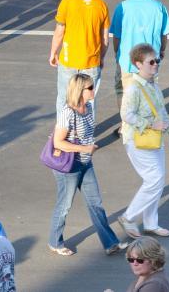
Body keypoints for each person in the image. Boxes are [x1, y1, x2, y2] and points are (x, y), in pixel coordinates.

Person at [47, 72, 128, 257]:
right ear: (79, 91)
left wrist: (87, 150)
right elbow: (58, 142)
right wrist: (85, 148)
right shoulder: (68, 113)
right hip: (68, 167)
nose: (93, 90)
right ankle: (54, 241)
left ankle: (110, 243)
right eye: (90, 88)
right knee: (64, 205)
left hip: (85, 164)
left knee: (96, 204)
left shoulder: (89, 107)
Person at [119, 43, 169, 239]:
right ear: (138, 64)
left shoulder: (154, 85)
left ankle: (150, 223)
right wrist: (150, 125)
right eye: (151, 62)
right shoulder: (134, 88)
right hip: (136, 139)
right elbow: (126, 114)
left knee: (157, 179)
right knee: (154, 179)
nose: (156, 64)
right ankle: (128, 217)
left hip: (154, 139)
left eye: (157, 61)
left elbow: (161, 111)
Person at [51, 0, 110, 109]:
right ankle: (86, 130)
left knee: (64, 98)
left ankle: (63, 129)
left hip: (69, 60)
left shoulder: (67, 1)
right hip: (91, 62)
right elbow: (105, 38)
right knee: (89, 101)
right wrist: (101, 57)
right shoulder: (101, 5)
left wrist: (53, 52)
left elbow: (60, 31)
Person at [110, 0, 169, 110]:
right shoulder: (158, 7)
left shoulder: (122, 7)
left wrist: (117, 53)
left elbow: (117, 36)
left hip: (126, 60)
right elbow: (164, 34)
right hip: (149, 61)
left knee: (124, 93)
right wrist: (161, 51)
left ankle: (125, 126)